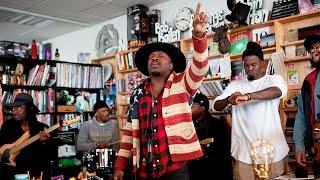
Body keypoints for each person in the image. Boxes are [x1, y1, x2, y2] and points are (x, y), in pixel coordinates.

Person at [113, 3, 210, 180]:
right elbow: (129, 132)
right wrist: (120, 165)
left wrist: (198, 35)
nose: (155, 58)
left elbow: (200, 67)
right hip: (144, 169)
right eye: (151, 57)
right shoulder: (138, 93)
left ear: (172, 65)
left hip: (176, 168)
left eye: (161, 56)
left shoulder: (182, 84)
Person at [213, 41, 289, 180]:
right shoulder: (235, 85)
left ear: (263, 63)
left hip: (272, 152)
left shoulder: (273, 80)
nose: (249, 68)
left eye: (253, 64)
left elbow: (277, 92)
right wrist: (228, 99)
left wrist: (248, 97)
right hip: (244, 154)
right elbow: (216, 105)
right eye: (246, 65)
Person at [0, 93, 54, 179]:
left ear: (30, 110)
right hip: (11, 173)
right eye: (13, 108)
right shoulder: (7, 126)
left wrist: (44, 143)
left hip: (33, 174)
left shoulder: (42, 128)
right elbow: (2, 151)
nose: (14, 111)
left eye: (19, 108)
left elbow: (46, 159)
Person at [189, 93, 232, 180]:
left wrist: (205, 150)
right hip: (194, 172)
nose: (189, 109)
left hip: (214, 171)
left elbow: (224, 153)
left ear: (202, 108)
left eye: (192, 106)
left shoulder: (218, 125)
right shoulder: (187, 125)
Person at [293, 34, 320, 167]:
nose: (314, 51)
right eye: (311, 49)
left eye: (317, 46)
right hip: (316, 146)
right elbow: (301, 116)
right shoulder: (308, 81)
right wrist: (299, 146)